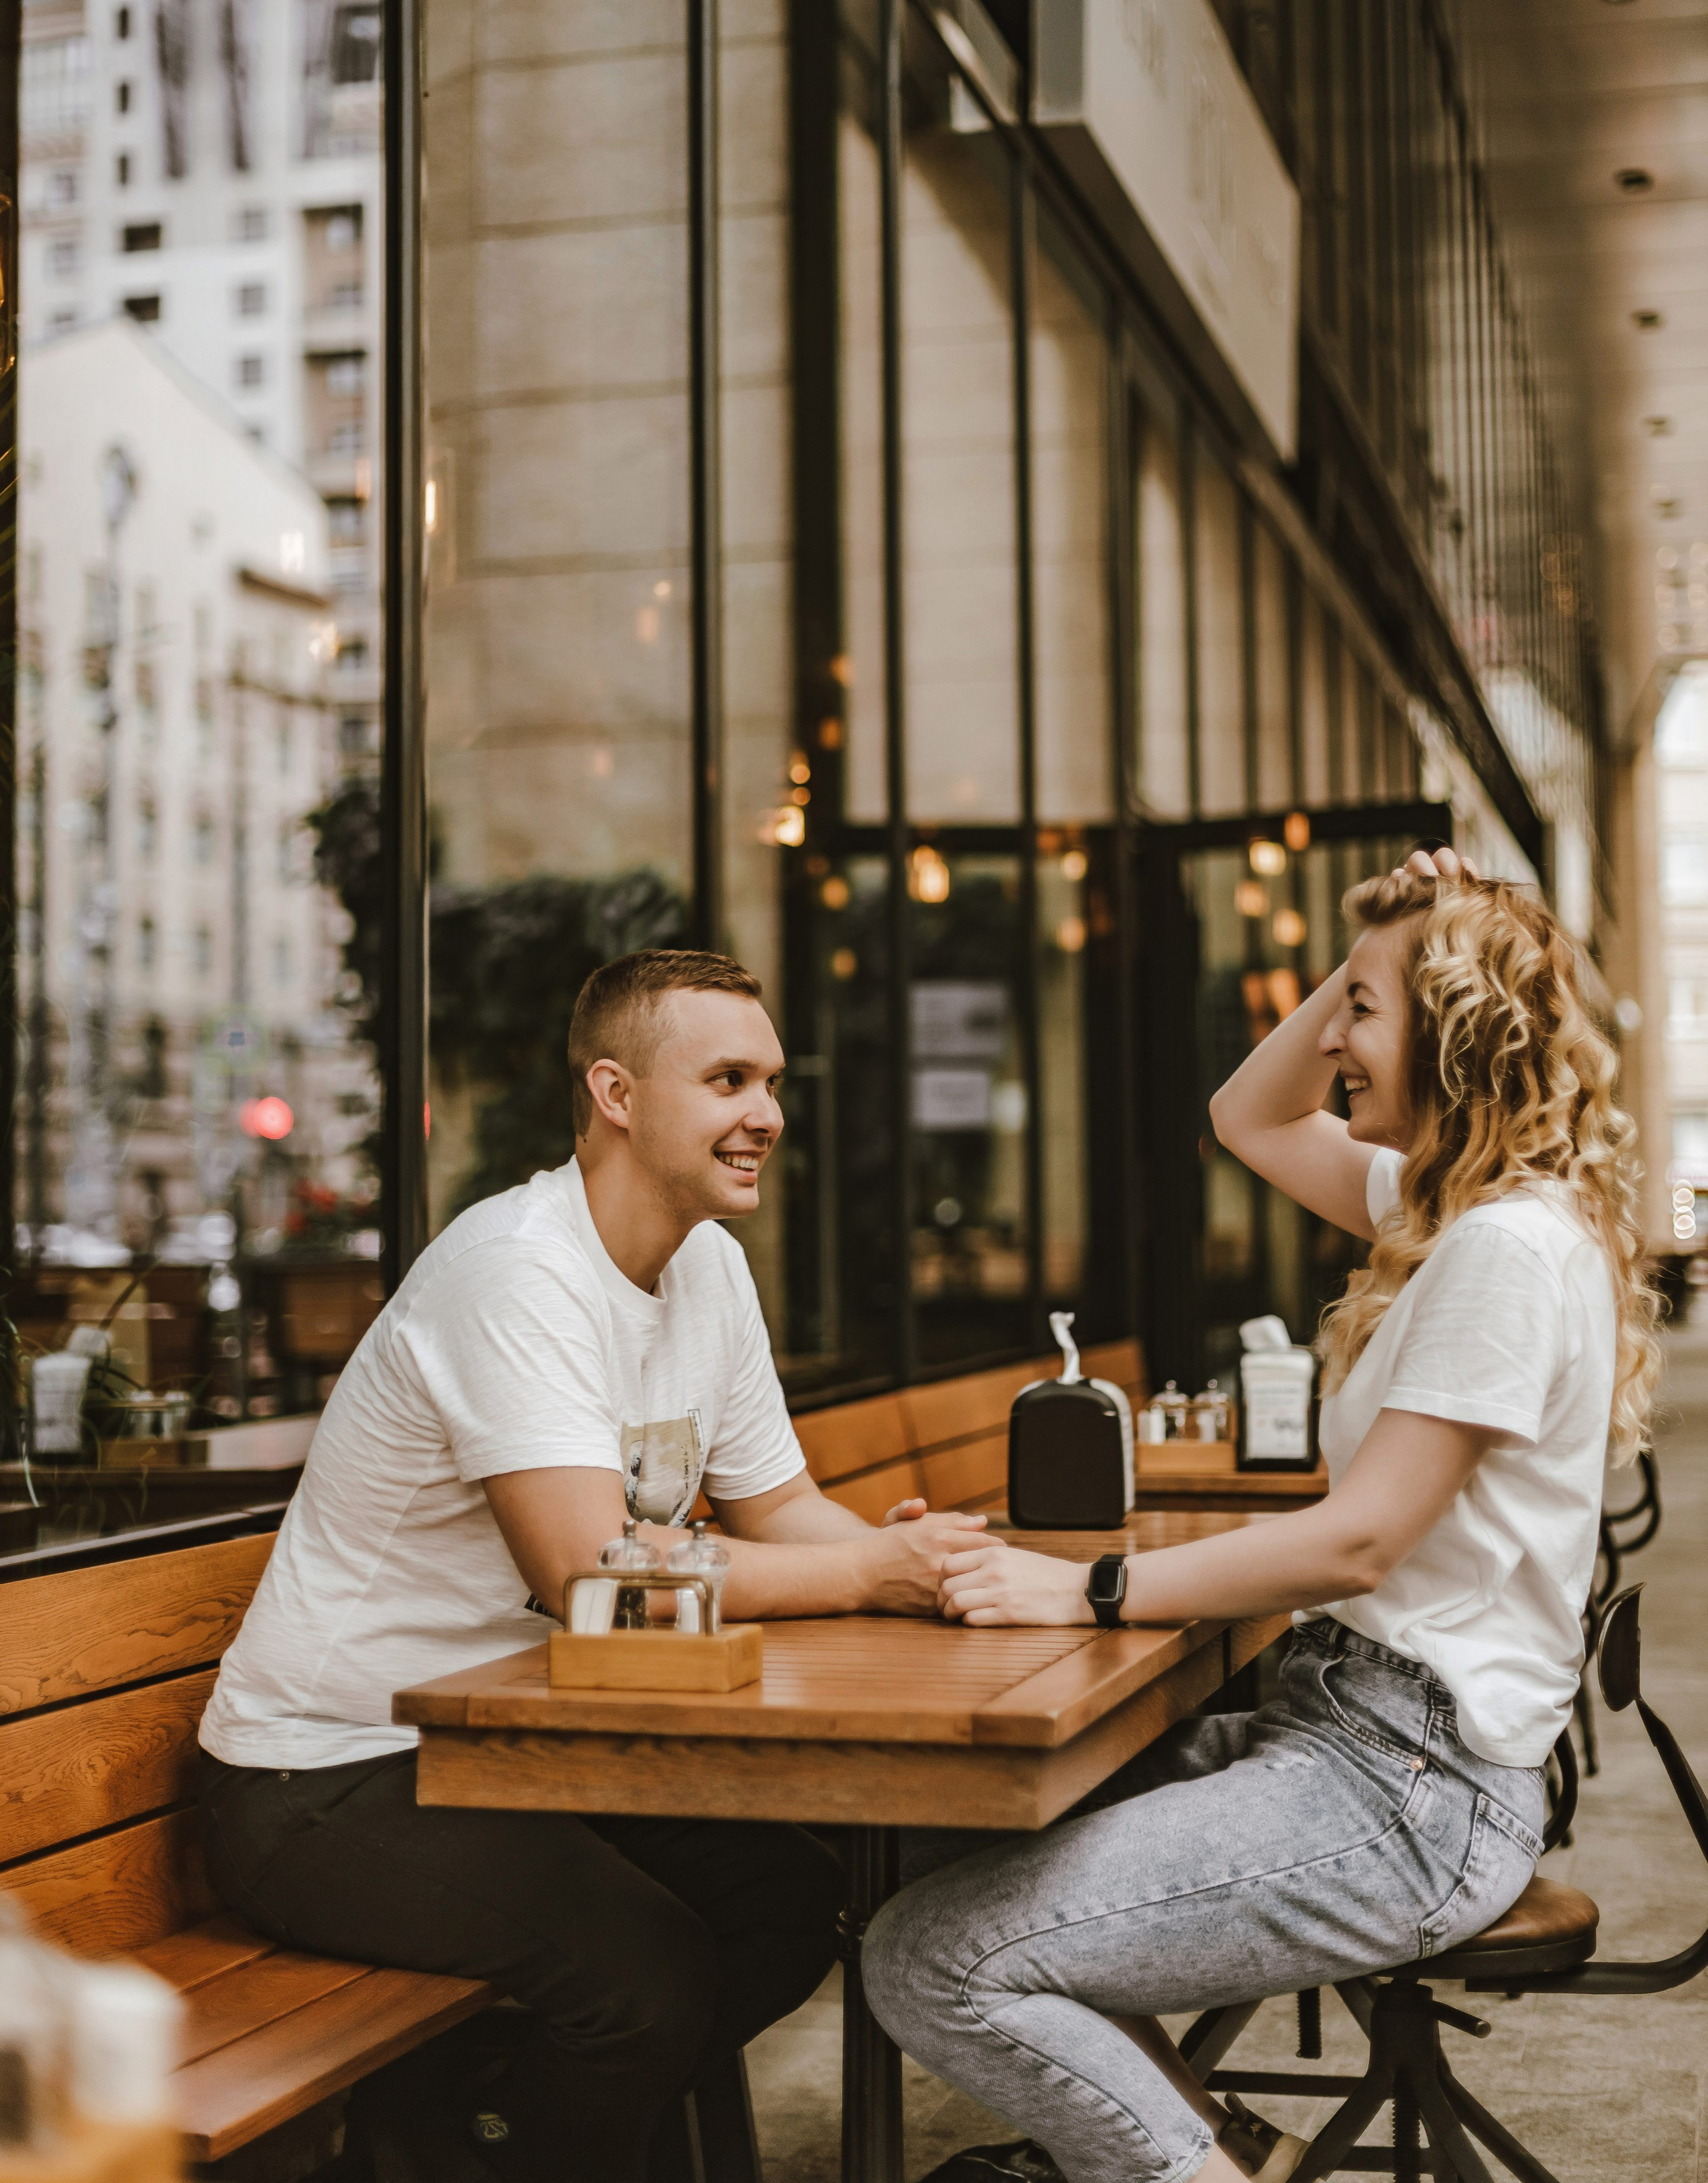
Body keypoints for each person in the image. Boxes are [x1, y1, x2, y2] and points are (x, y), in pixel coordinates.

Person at [861, 851, 1661, 2183]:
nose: (1332, 1038)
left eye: (1361, 1012)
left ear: (1452, 1034)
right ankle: (1222, 2143)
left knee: (929, 1959)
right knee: (969, 1817)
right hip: (1353, 1735)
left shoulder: (1503, 1250)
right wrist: (1383, 944)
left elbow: (1358, 1540)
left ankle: (1196, 2166)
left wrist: (1086, 1587)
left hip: (1408, 1791)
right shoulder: (1451, 1210)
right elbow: (1246, 1113)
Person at [198, 947, 997, 2183]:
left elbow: (783, 1509)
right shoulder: (517, 1270)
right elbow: (592, 1573)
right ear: (615, 1094)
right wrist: (868, 1577)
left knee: (786, 1902)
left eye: (773, 1083)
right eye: (729, 1080)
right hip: (327, 1772)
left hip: (511, 1745)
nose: (768, 1115)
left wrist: (925, 1563)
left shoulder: (707, 1265)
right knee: (644, 1980)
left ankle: (468, 2124)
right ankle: (469, 2145)